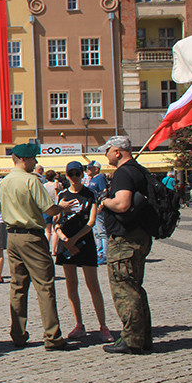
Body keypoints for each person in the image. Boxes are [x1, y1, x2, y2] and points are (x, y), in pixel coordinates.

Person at [0, 142, 74, 351]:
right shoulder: (31, 181)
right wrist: (63, 207)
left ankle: (18, 334)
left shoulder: (4, 182)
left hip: (12, 237)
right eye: (33, 158)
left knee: (18, 286)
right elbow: (48, 209)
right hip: (32, 237)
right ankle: (52, 336)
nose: (36, 162)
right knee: (45, 285)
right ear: (23, 160)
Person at [97, 136, 155, 354]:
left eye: (107, 151)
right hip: (139, 236)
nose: (106, 155)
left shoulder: (123, 172)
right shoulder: (138, 169)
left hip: (124, 239)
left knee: (124, 288)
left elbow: (122, 204)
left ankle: (131, 339)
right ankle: (143, 337)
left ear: (118, 152)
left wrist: (104, 202)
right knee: (135, 287)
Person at [54, 161, 114, 342]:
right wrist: (65, 239)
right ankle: (78, 324)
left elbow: (91, 222)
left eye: (77, 173)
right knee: (71, 285)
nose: (74, 177)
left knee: (92, 284)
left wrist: (75, 239)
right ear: (66, 175)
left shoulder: (90, 194)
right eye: (70, 174)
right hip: (66, 243)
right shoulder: (62, 195)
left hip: (85, 242)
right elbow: (56, 221)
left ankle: (103, 326)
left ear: (82, 174)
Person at [86, 160, 109, 265]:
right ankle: (99, 252)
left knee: (101, 231)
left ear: (96, 169)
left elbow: (104, 192)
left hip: (98, 207)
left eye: (90, 168)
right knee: (96, 232)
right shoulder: (93, 179)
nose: (88, 170)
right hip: (93, 207)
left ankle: (104, 254)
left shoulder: (100, 178)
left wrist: (101, 204)